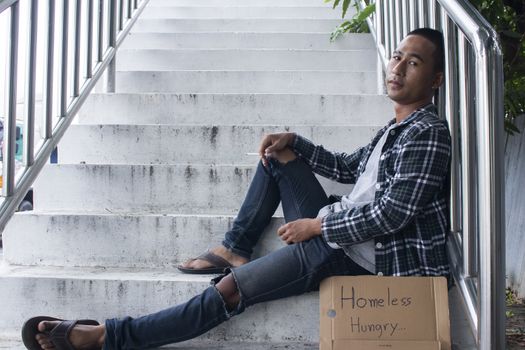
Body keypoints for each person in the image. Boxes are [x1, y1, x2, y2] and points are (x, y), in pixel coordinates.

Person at [22, 28, 451, 350]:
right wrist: (295, 141)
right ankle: (236, 245)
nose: (396, 67)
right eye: (397, 56)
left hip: (357, 255)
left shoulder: (427, 132)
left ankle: (104, 337)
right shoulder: (396, 128)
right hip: (337, 231)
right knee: (277, 154)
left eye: (413, 62)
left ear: (435, 80)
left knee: (228, 291)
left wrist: (317, 227)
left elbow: (391, 214)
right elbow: (347, 166)